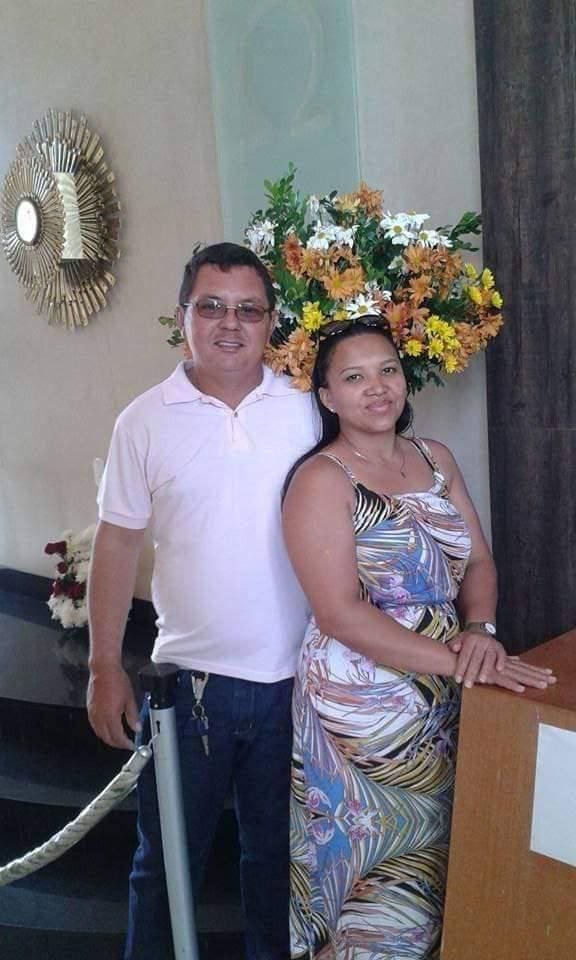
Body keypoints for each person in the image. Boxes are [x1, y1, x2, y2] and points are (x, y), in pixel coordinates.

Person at [281, 318, 556, 960]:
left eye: (388, 370)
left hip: (450, 687)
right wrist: (466, 662)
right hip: (362, 708)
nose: (377, 388)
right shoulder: (320, 479)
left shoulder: (435, 457)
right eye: (354, 377)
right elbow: (339, 613)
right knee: (376, 877)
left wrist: (480, 630)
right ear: (327, 396)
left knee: (447, 859)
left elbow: (478, 561)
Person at [87, 242, 318, 960]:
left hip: (296, 684)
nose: (230, 323)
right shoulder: (143, 421)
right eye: (211, 306)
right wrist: (103, 666)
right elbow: (116, 544)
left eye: (249, 309)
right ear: (183, 314)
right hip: (190, 692)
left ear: (271, 321)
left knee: (277, 867)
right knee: (164, 870)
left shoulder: (309, 409)